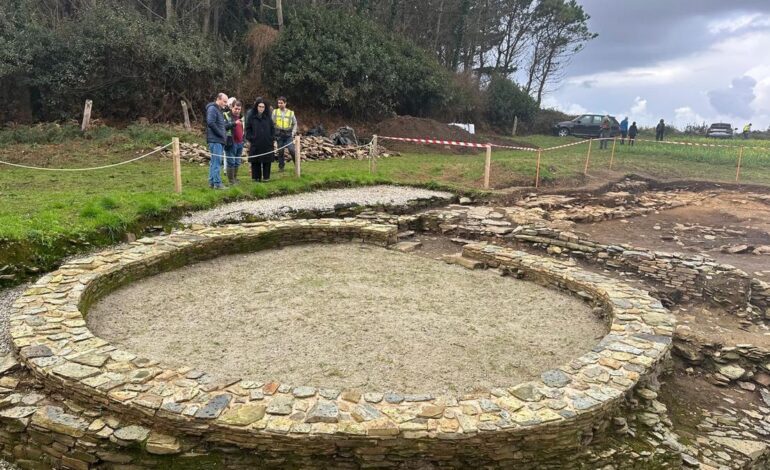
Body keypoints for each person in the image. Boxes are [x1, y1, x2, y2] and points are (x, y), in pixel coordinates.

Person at [245, 97, 275, 182]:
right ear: (256, 107)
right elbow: (248, 129)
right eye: (259, 106)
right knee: (255, 160)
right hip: (256, 142)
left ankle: (266, 177)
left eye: (263, 107)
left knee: (267, 161)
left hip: (267, 142)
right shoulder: (251, 117)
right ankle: (256, 178)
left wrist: (271, 138)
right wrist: (251, 138)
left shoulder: (268, 117)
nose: (261, 108)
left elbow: (272, 129)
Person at [205, 92, 230, 189]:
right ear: (218, 99)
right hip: (215, 140)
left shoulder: (219, 110)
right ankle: (217, 183)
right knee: (217, 162)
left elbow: (221, 125)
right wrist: (220, 134)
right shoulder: (212, 109)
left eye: (226, 102)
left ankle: (212, 182)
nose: (225, 103)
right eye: (224, 101)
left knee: (214, 161)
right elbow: (210, 122)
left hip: (218, 140)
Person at [271, 96, 297, 171]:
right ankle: (281, 167)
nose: (280, 104)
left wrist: (293, 132)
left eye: (281, 103)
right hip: (279, 135)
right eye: (278, 103)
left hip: (288, 135)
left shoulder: (290, 113)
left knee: (292, 150)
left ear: (285, 103)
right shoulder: (275, 112)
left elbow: (295, 123)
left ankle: (297, 165)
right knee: (280, 152)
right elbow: (272, 123)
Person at [225, 100, 245, 184]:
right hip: (230, 142)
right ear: (231, 107)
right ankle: (231, 180)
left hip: (240, 142)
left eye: (239, 109)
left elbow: (244, 129)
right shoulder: (226, 115)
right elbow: (224, 127)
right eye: (235, 108)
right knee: (231, 162)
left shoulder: (242, 117)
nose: (237, 111)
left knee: (237, 162)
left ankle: (235, 178)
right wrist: (234, 123)